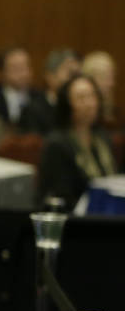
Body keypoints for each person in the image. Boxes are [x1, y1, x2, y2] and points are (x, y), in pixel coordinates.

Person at [37, 73, 115, 210]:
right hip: (74, 219)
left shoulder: (102, 138)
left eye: (92, 96)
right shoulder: (57, 144)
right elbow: (60, 195)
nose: (90, 103)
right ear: (67, 104)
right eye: (81, 98)